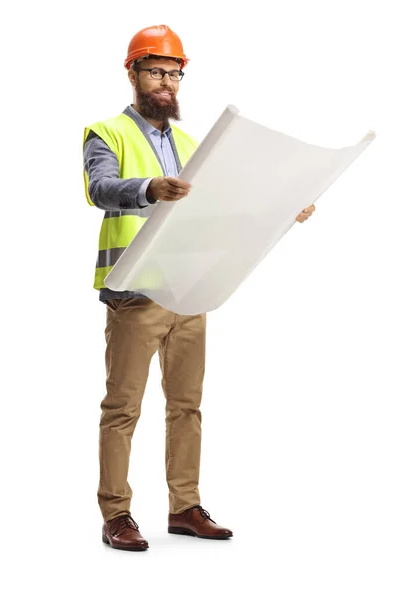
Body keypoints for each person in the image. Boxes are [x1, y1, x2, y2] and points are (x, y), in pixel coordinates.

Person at [83, 24, 315, 552]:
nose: (166, 81)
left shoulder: (192, 145)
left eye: (173, 72)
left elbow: (222, 212)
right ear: (133, 73)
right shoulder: (106, 133)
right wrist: (149, 189)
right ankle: (116, 514)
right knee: (123, 408)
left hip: (188, 290)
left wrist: (284, 212)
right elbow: (100, 189)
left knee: (186, 406)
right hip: (134, 293)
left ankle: (184, 506)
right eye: (155, 70)